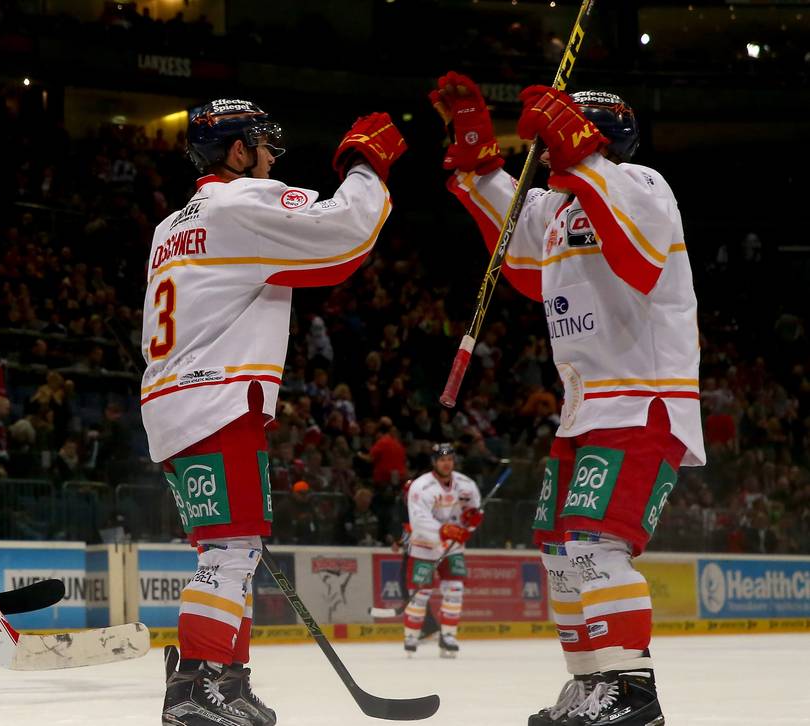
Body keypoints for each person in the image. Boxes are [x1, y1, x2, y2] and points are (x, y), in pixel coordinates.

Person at [430, 72, 705, 726]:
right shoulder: (561, 207)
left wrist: (579, 152)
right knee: (559, 548)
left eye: (560, 132)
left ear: (592, 136)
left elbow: (638, 258)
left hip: (642, 402)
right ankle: (590, 683)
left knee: (595, 546)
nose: (546, 149)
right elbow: (514, 249)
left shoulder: (642, 186)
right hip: (586, 409)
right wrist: (473, 143)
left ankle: (631, 692)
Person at [142, 97, 406, 726]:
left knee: (229, 547)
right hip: (218, 398)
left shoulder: (171, 224)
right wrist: (367, 166)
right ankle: (199, 688)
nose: (270, 156)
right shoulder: (244, 204)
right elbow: (345, 237)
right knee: (230, 552)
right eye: (262, 144)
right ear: (237, 152)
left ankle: (225, 682)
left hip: (176, 400)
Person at [401, 444, 482, 659]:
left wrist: (471, 522)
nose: (446, 463)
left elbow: (472, 512)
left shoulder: (466, 484)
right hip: (425, 547)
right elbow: (418, 519)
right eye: (442, 459)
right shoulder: (421, 486)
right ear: (434, 462)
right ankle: (411, 635)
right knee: (420, 593)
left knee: (455, 589)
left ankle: (448, 636)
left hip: (453, 548)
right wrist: (443, 530)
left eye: (450, 459)